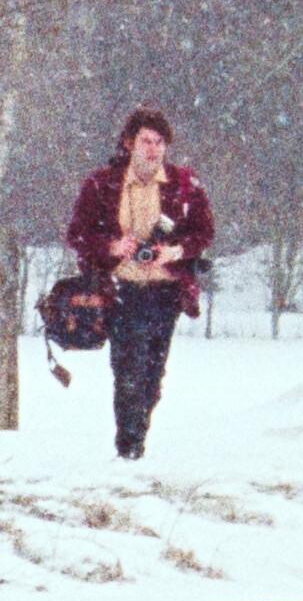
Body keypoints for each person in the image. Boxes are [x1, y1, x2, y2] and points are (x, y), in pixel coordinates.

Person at [66, 109, 217, 462]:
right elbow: (78, 233)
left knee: (152, 372)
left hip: (166, 291)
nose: (153, 149)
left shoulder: (184, 185)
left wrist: (174, 250)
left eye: (159, 142)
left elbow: (204, 232)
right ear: (129, 143)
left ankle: (135, 440)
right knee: (128, 369)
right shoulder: (103, 183)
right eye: (146, 141)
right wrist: (112, 246)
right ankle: (129, 448)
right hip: (122, 289)